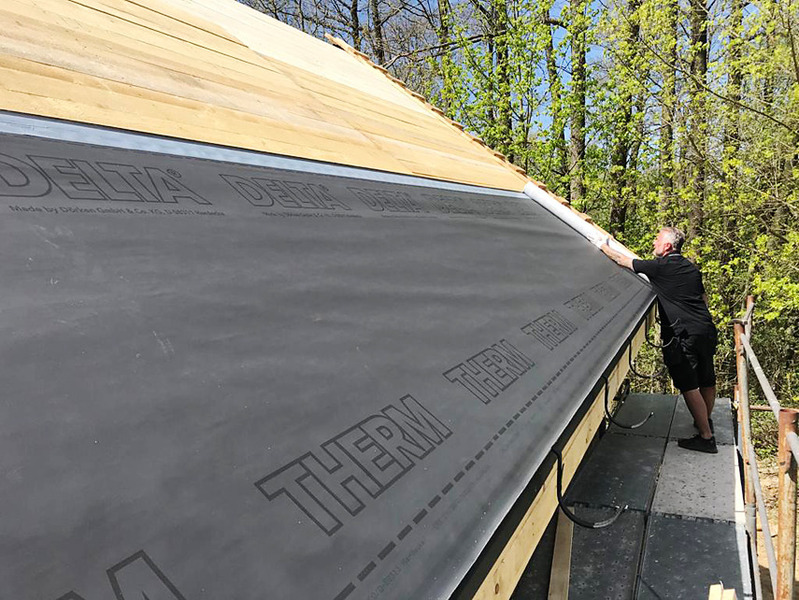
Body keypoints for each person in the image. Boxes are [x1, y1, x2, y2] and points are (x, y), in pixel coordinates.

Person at [600, 227, 719, 453]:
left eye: (657, 239)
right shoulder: (691, 268)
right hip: (705, 329)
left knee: (688, 384)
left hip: (683, 334)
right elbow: (703, 298)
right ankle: (705, 420)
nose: (654, 242)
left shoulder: (660, 267)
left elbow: (623, 260)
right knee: (706, 378)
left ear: (667, 246)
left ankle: (706, 437)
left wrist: (602, 245)